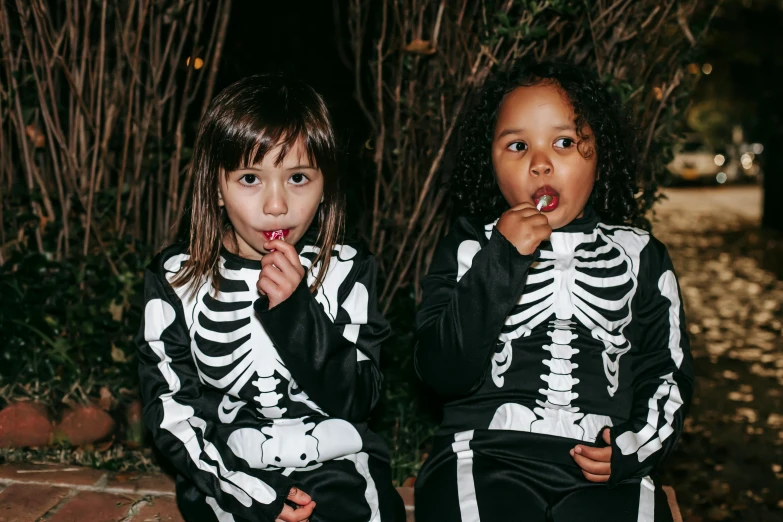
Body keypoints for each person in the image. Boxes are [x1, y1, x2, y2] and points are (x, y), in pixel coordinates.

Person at [413, 61, 693, 521]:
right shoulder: (470, 247)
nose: (540, 162)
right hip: (483, 453)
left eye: (564, 142)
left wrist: (633, 447)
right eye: (518, 145)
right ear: (490, 161)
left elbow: (666, 373)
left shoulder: (642, 255)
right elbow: (442, 370)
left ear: (599, 151)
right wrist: (500, 259)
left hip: (606, 466)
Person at [136, 74, 405, 522]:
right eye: (249, 178)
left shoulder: (348, 267)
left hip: (339, 458)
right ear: (215, 188)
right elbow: (171, 411)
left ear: (325, 189)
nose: (276, 205)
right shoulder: (174, 277)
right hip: (228, 470)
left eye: (298, 177)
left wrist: (298, 312)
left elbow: (361, 398)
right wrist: (246, 493)